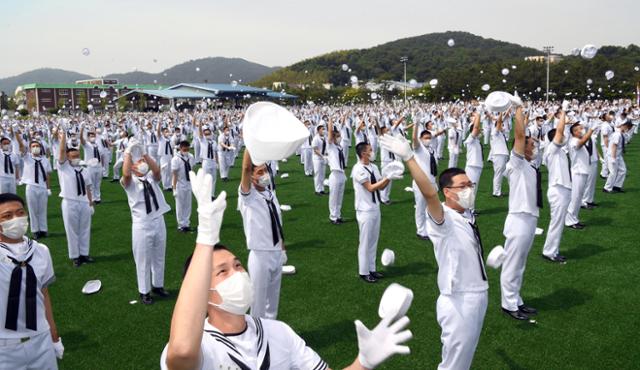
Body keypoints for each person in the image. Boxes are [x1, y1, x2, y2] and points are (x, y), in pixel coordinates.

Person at [160, 170, 411, 370]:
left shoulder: (278, 332)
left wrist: (362, 364)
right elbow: (182, 353)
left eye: (238, 265)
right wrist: (206, 236)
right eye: (222, 271)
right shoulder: (202, 346)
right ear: (202, 290)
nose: (237, 273)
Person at [380, 134, 487, 370]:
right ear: (447, 192)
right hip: (459, 298)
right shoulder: (444, 218)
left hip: (477, 293)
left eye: (471, 185)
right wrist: (409, 157)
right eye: (463, 186)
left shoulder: (466, 214)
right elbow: (429, 193)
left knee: (463, 360)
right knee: (454, 364)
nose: (469, 189)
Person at [0, 193, 63, 369]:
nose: (16, 219)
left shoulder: (41, 250)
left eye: (20, 213)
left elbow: (44, 293)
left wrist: (53, 334)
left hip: (40, 338)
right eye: (7, 216)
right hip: (4, 346)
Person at [499, 104, 541, 321]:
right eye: (531, 145)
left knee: (520, 263)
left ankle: (516, 299)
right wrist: (517, 110)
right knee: (513, 263)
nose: (534, 148)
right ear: (522, 148)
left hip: (529, 217)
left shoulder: (530, 166)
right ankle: (508, 303)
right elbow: (518, 135)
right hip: (519, 218)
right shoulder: (515, 163)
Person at [121, 139, 171, 305]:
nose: (142, 164)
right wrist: (128, 152)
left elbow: (157, 170)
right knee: (143, 259)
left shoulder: (151, 177)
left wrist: (144, 153)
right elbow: (126, 174)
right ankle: (144, 291)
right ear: (133, 166)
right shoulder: (129, 183)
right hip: (142, 224)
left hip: (158, 219)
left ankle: (158, 285)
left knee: (159, 255)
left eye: (142, 162)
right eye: (139, 163)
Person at [239, 150, 285, 319]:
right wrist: (250, 144)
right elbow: (245, 168)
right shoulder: (248, 196)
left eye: (265, 170)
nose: (265, 174)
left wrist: (282, 248)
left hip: (276, 250)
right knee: (258, 301)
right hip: (260, 253)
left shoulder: (270, 194)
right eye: (259, 172)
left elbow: (277, 222)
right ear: (251, 177)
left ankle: (270, 331)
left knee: (273, 300)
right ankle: (257, 335)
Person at [351, 142, 397, 283]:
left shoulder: (374, 167)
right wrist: (387, 178)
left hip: (375, 206)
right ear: (363, 153)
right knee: (365, 242)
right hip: (365, 209)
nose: (373, 152)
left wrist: (389, 178)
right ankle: (364, 272)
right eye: (370, 150)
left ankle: (372, 269)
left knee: (373, 241)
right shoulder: (358, 169)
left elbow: (381, 187)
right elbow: (370, 187)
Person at [57, 131, 94, 267]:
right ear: (67, 157)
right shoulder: (64, 167)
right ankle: (75, 256)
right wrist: (63, 137)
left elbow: (88, 188)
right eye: (73, 156)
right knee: (71, 230)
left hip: (83, 201)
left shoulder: (84, 170)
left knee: (85, 228)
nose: (76, 158)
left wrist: (90, 203)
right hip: (69, 201)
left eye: (77, 156)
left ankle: (84, 254)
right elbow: (61, 152)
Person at [541, 108, 570, 263]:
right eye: (561, 136)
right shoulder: (552, 149)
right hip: (558, 190)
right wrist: (563, 111)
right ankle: (550, 251)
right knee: (556, 222)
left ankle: (553, 249)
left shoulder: (557, 151)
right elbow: (559, 131)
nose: (564, 137)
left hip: (562, 189)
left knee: (558, 222)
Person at [15, 133, 52, 239]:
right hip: (31, 186)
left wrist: (48, 188)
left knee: (42, 209)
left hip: (42, 187)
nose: (36, 148)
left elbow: (47, 175)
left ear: (41, 148)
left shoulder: (45, 160)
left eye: (37, 146)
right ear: (30, 149)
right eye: (33, 146)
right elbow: (21, 146)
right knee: (32, 210)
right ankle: (35, 230)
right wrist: (17, 134)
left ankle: (43, 229)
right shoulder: (27, 158)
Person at [564, 121, 595, 229]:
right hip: (578, 172)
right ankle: (570, 220)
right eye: (578, 129)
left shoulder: (577, 139)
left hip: (582, 171)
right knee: (575, 197)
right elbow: (580, 143)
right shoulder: (573, 141)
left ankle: (574, 218)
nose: (581, 130)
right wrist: (591, 130)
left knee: (579, 197)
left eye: (581, 128)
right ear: (574, 132)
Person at [410, 124, 438, 241]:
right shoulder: (418, 148)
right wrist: (416, 124)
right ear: (421, 139)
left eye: (429, 138)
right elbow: (414, 140)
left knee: (430, 207)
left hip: (431, 182)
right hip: (421, 182)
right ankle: (421, 230)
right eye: (425, 138)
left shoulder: (432, 150)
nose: (428, 140)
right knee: (421, 207)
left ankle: (428, 228)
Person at [172, 141, 195, 232]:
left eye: (187, 149)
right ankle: (181, 225)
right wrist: (174, 188)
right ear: (180, 148)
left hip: (188, 183)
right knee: (180, 206)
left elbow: (191, 170)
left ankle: (186, 223)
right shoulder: (176, 159)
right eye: (184, 149)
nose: (186, 151)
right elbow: (174, 174)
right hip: (179, 184)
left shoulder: (191, 157)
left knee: (188, 205)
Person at [463, 112, 483, 214]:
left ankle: (471, 209)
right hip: (472, 167)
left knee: (473, 190)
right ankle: (468, 210)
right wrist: (478, 115)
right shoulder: (470, 139)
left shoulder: (476, 141)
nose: (480, 131)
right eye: (478, 130)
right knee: (470, 190)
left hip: (477, 167)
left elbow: (475, 128)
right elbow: (475, 128)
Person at [327, 119, 347, 224]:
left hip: (341, 173)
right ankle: (333, 217)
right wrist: (330, 121)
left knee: (340, 197)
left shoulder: (339, 147)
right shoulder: (330, 146)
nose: (339, 137)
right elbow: (330, 133)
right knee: (334, 197)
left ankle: (338, 215)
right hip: (335, 174)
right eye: (337, 136)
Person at [603, 121, 632, 193]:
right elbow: (614, 146)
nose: (628, 129)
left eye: (629, 127)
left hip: (618, 155)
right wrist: (613, 158)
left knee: (623, 170)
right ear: (623, 126)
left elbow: (623, 143)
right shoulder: (617, 134)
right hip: (613, 155)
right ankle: (607, 188)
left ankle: (617, 186)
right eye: (628, 127)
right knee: (613, 172)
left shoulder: (622, 134)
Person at [80, 128, 104, 204]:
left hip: (99, 166)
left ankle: (98, 198)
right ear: (88, 137)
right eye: (90, 136)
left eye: (93, 135)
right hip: (90, 167)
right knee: (91, 183)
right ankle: (92, 198)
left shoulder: (98, 145)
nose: (92, 137)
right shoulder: (87, 145)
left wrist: (102, 166)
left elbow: (101, 155)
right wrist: (81, 130)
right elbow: (81, 140)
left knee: (98, 183)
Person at [196, 122, 219, 198]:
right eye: (205, 134)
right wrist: (200, 124)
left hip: (213, 161)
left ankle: (212, 194)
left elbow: (215, 153)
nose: (207, 135)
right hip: (206, 161)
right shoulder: (203, 141)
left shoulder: (214, 142)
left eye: (208, 133)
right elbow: (200, 133)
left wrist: (217, 163)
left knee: (214, 179)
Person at [490, 113, 509, 197]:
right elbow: (498, 123)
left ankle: (498, 191)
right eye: (502, 125)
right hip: (498, 155)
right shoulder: (495, 132)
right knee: (498, 174)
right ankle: (496, 192)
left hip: (502, 155)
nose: (503, 126)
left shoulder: (500, 133)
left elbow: (501, 121)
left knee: (500, 174)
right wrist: (501, 112)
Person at [157, 126, 174, 191]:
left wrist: (172, 156)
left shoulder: (170, 139)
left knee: (169, 171)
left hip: (169, 155)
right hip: (163, 156)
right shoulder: (161, 138)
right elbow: (158, 132)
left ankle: (169, 185)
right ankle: (165, 186)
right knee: (164, 170)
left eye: (167, 131)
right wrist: (159, 124)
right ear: (163, 133)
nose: (167, 133)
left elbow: (171, 148)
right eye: (166, 132)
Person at [312, 125, 328, 195]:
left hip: (323, 158)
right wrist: (322, 155)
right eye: (322, 129)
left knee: (322, 174)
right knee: (318, 174)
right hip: (317, 158)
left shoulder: (324, 138)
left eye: (324, 129)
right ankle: (317, 190)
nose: (324, 130)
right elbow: (315, 150)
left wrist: (326, 155)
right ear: (318, 131)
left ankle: (322, 189)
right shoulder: (316, 138)